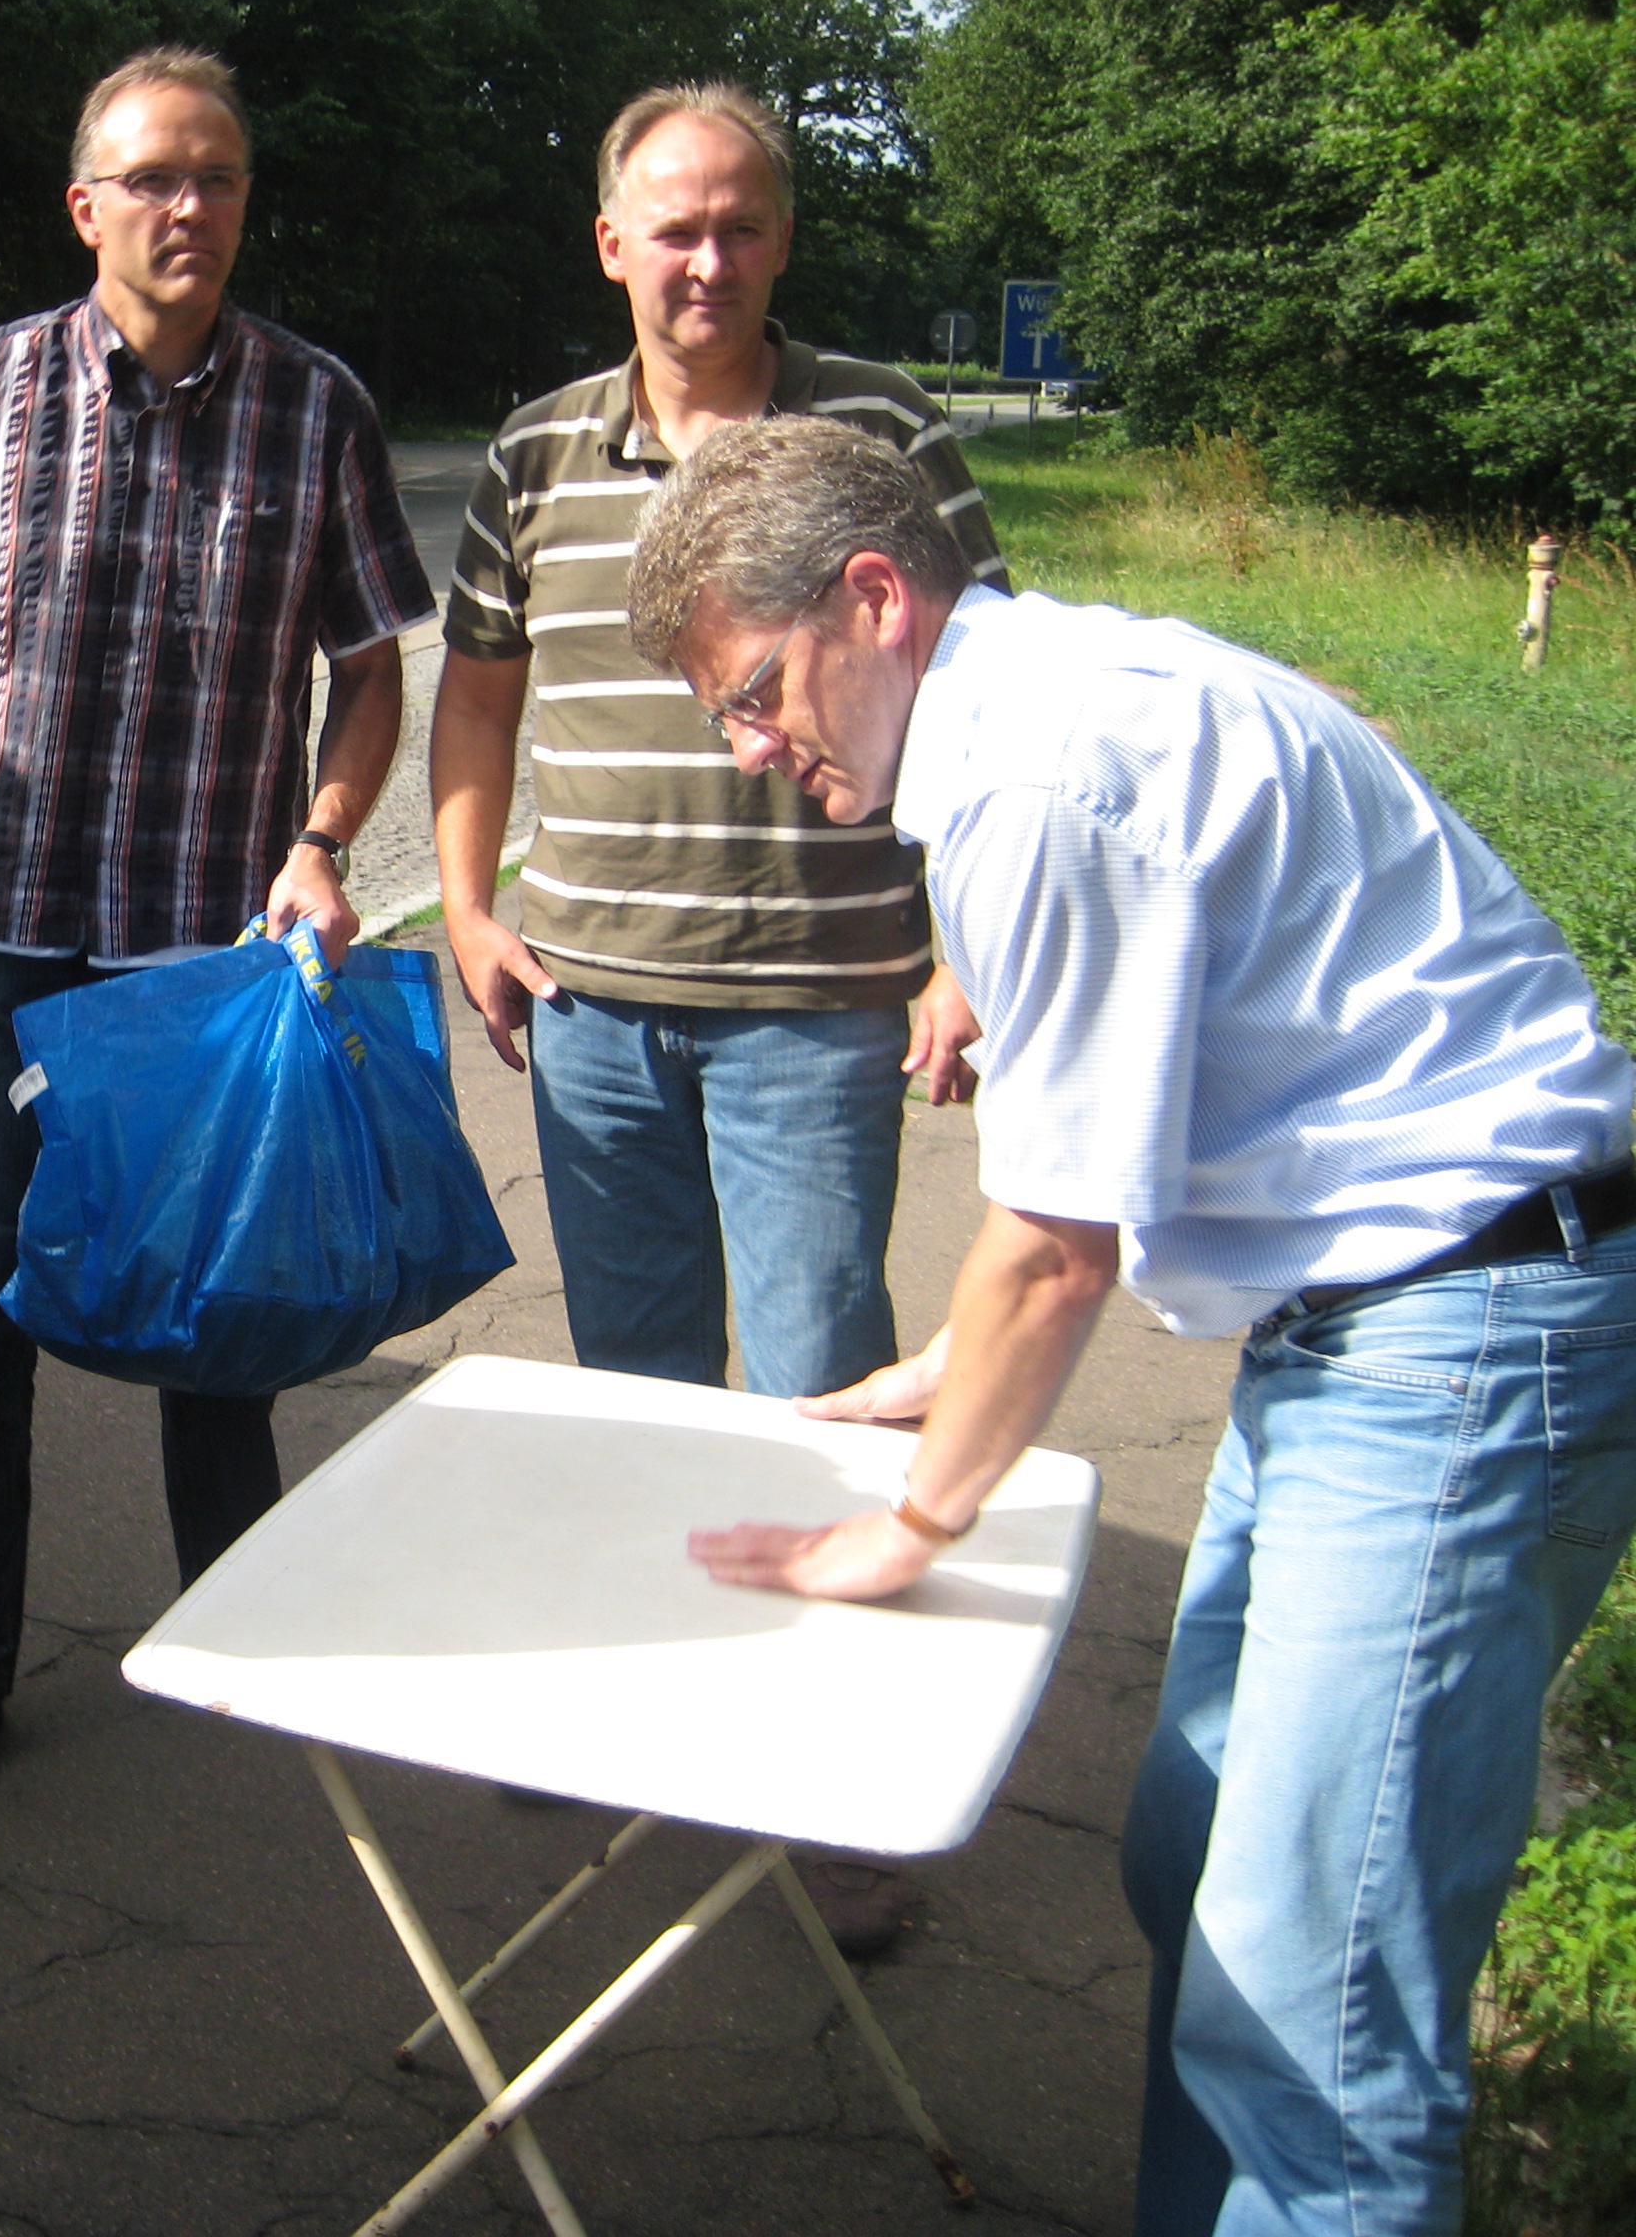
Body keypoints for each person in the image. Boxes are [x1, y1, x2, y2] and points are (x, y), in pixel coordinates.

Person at [630, 414, 1636, 2237]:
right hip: (1371, 1322)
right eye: (723, 716)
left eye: (756, 693)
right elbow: (1093, 1144)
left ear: (875, 598)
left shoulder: (1032, 773)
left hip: (1463, 1330)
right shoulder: (1026, 714)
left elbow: (1057, 1245)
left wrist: (915, 1520)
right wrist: (951, 1368)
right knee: (1199, 1853)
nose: (750, 749)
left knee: (1313, 2015)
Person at [0, 45, 435, 1810]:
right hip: (6, 933)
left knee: (217, 1309)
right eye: (154, 178)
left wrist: (323, 839)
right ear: (84, 206)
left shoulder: (315, 408)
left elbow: (371, 668)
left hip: (205, 953)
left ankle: (241, 1640)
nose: (190, 208)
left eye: (218, 177)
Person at [430, 83, 1008, 1402]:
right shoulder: (534, 453)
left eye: (742, 228)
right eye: (677, 230)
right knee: (635, 1398)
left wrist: (969, 956)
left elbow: (982, 686)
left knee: (822, 1394)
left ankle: (835, 1552)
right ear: (611, 244)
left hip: (818, 1006)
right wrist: (464, 911)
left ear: (784, 239)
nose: (711, 261)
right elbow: (475, 702)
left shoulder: (881, 429)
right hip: (588, 1007)